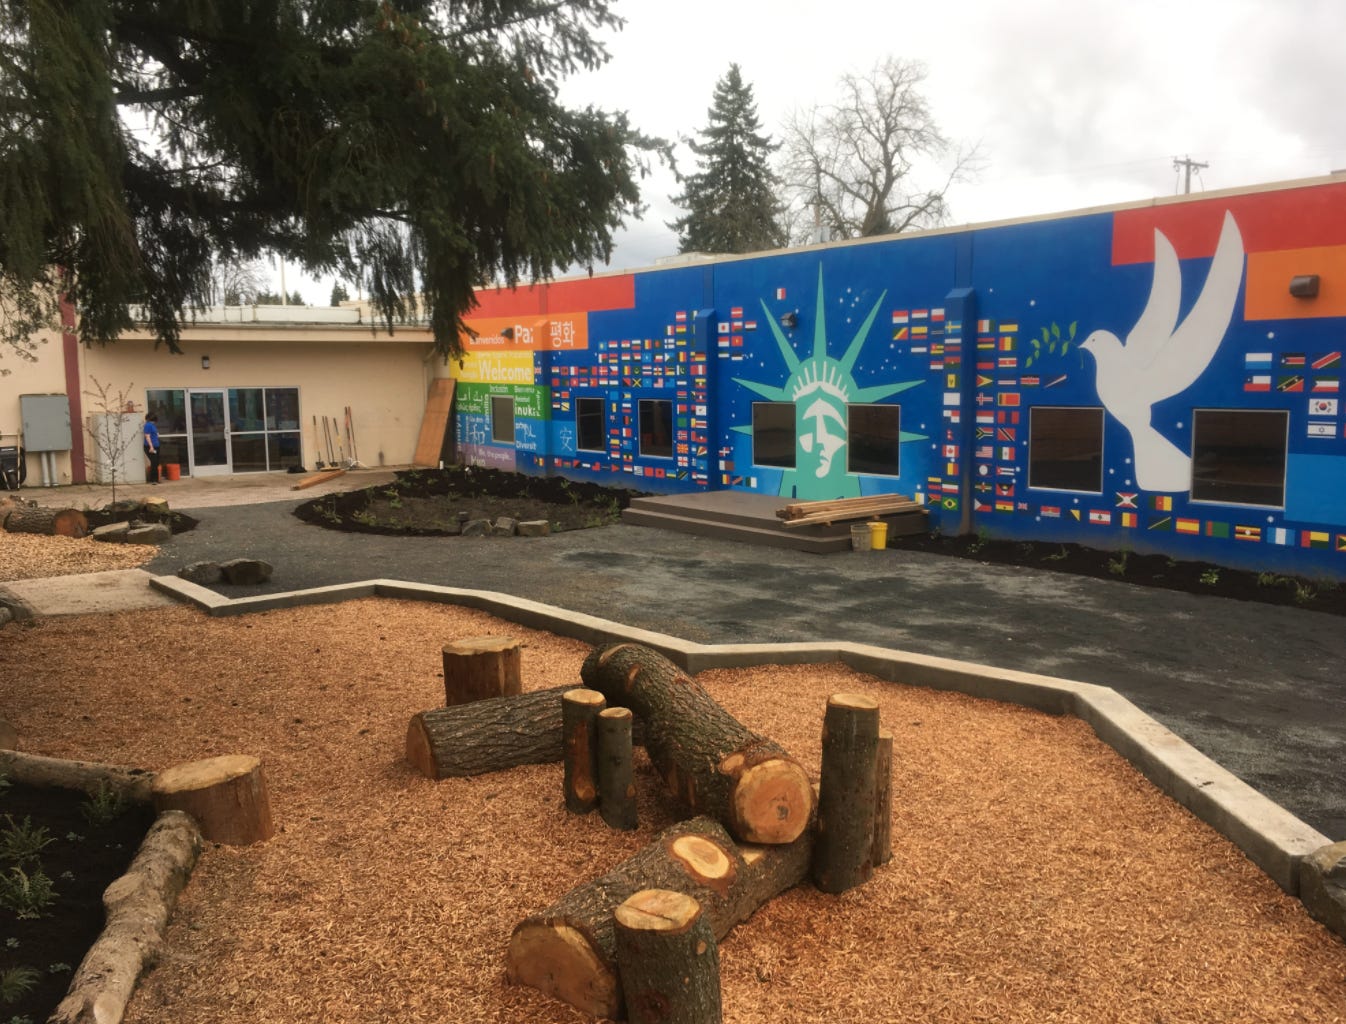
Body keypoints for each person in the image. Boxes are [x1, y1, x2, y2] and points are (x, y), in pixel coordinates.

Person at [143, 413, 161, 484]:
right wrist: (151, 447)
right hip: (150, 447)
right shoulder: (148, 425)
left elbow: (155, 434)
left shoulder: (152, 425)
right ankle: (153, 480)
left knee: (156, 462)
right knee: (154, 462)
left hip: (156, 446)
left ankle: (156, 479)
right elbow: (147, 436)